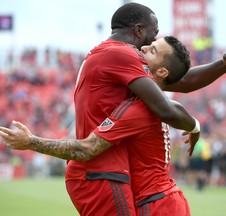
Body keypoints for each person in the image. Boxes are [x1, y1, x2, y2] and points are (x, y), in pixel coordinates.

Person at [0, 2, 226, 215]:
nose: (150, 41)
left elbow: (177, 81)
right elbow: (170, 100)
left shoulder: (120, 67)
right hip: (102, 172)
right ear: (138, 30)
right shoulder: (123, 56)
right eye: (153, 34)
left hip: (113, 177)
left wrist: (223, 66)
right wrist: (193, 125)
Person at [1, 36, 197, 216]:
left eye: (153, 50)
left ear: (162, 71)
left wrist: (31, 142)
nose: (144, 47)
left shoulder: (138, 109)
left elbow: (87, 149)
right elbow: (181, 104)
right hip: (168, 200)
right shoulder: (162, 104)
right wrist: (195, 127)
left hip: (155, 205)